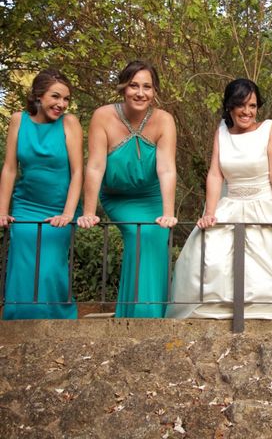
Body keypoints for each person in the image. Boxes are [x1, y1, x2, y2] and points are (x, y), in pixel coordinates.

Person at [166, 79, 272, 319]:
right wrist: (209, 212)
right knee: (208, 252)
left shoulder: (269, 129)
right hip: (231, 204)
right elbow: (216, 174)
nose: (247, 111)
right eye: (241, 105)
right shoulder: (221, 132)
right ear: (230, 106)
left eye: (252, 105)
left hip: (266, 203)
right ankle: (217, 312)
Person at [78, 60, 177, 318]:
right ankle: (136, 316)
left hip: (152, 196)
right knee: (138, 234)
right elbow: (95, 167)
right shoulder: (103, 116)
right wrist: (89, 212)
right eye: (134, 85)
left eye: (147, 87)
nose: (140, 93)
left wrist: (168, 213)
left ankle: (155, 316)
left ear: (155, 91)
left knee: (155, 239)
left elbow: (166, 169)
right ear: (123, 87)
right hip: (118, 197)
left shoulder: (164, 120)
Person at [0, 69, 83, 319]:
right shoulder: (18, 120)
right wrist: (3, 210)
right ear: (38, 95)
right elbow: (10, 168)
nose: (61, 104)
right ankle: (18, 323)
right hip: (26, 206)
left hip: (60, 208)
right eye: (55, 97)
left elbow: (78, 172)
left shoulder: (70, 123)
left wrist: (68, 214)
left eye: (66, 99)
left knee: (48, 268)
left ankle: (58, 321)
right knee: (23, 267)